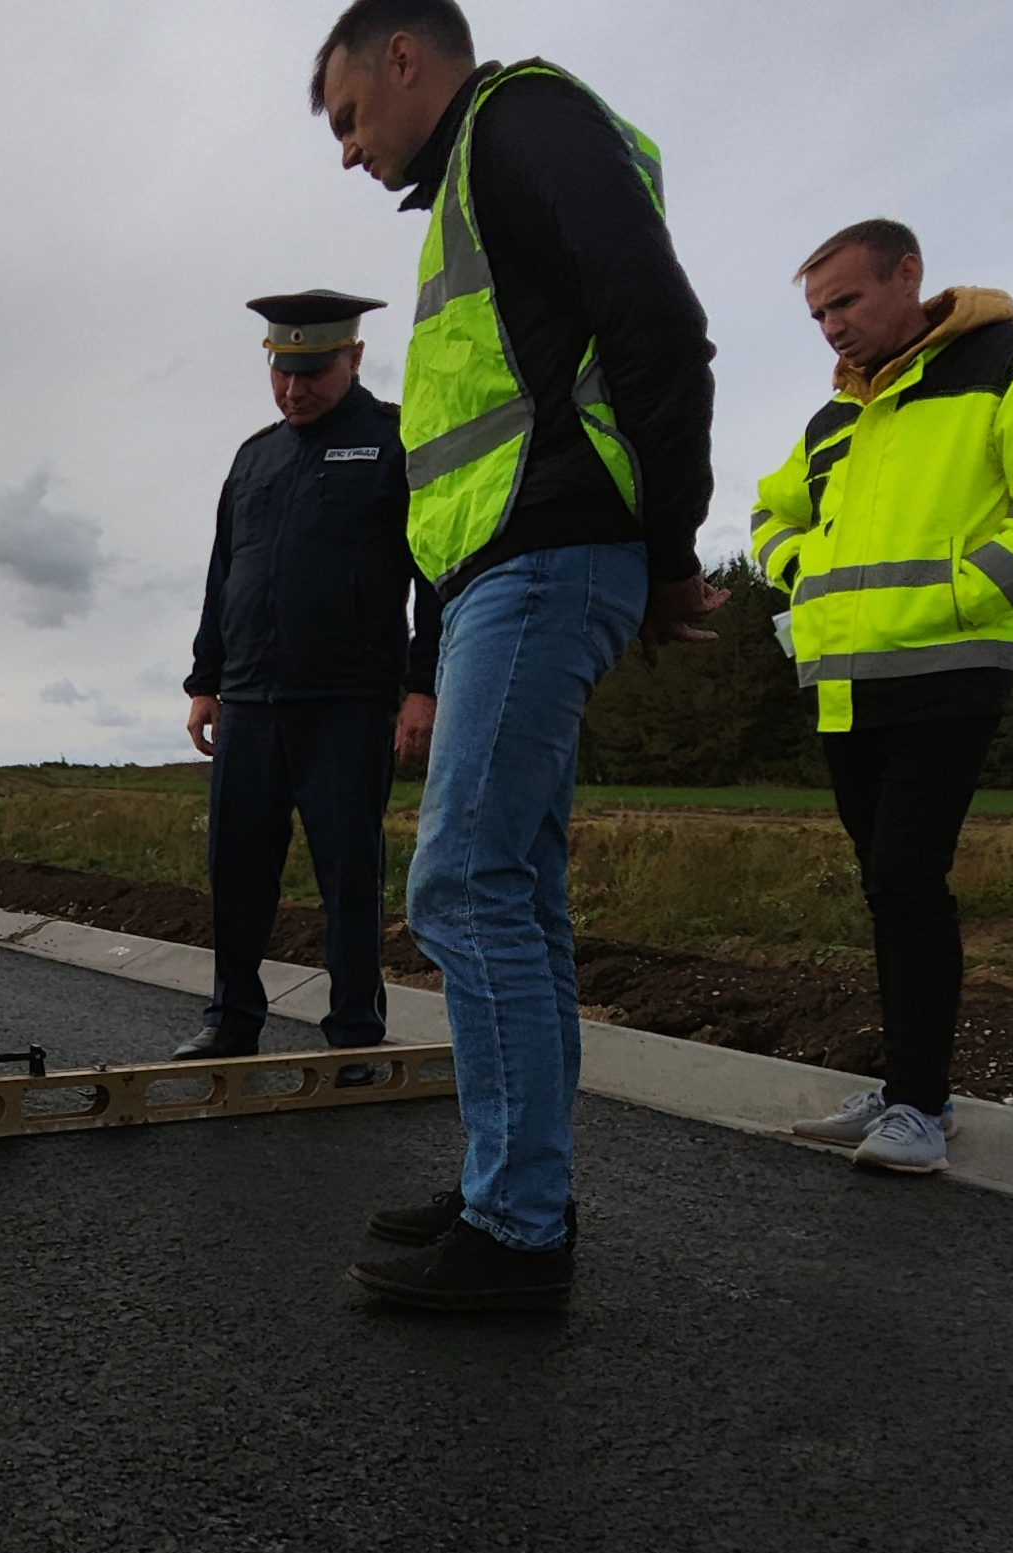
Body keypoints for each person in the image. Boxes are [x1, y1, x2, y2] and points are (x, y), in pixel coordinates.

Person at [309, 0, 723, 1309]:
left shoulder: (522, 122)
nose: (345, 149)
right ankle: (512, 1189)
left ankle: (518, 1229)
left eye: (346, 115)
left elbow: (657, 327)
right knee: (517, 896)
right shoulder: (470, 186)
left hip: (547, 556)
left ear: (402, 55)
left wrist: (666, 546)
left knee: (463, 884)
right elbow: (469, 464)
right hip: (511, 564)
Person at [759, 221, 1013, 1174]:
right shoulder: (834, 417)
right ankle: (910, 1091)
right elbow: (772, 511)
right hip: (844, 685)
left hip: (950, 670)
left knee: (906, 878)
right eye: (818, 314)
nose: (831, 328)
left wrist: (967, 594)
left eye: (846, 302)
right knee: (887, 888)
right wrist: (797, 570)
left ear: (909, 274)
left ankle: (922, 1108)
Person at [177, 290, 441, 1081]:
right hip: (251, 701)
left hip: (348, 700)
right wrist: (205, 680)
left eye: (313, 372)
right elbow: (225, 574)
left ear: (353, 358)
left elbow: (432, 576)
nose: (294, 390)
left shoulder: (396, 442)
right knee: (236, 871)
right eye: (282, 373)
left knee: (348, 875)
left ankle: (354, 1031)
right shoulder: (254, 457)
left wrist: (422, 686)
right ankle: (231, 1019)